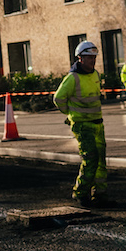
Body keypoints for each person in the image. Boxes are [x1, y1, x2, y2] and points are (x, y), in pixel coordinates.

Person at [53, 40, 107, 206]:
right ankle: (81, 193)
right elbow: (58, 98)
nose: (93, 60)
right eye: (89, 57)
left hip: (97, 123)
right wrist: (70, 114)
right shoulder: (72, 78)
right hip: (83, 125)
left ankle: (100, 194)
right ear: (80, 58)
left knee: (100, 161)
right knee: (91, 158)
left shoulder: (95, 75)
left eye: (94, 57)